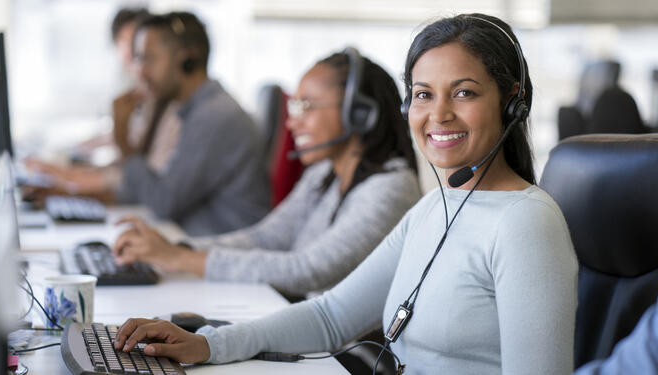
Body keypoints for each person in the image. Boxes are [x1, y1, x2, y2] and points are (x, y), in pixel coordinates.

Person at [112, 14, 578, 374]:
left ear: (512, 100)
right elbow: (332, 316)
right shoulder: (437, 204)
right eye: (422, 94)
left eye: (464, 93)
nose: (438, 114)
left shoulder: (525, 222)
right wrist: (211, 343)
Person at [111, 48, 422, 298]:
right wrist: (175, 248)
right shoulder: (325, 173)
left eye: (306, 106)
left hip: (348, 355)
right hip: (300, 326)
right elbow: (268, 237)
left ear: (359, 113)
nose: (292, 122)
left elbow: (308, 270)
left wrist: (181, 260)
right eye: (294, 106)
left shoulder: (391, 187)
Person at [31, 12, 270, 236]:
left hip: (223, 255)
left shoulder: (214, 116)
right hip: (196, 244)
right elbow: (152, 189)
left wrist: (124, 139)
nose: (140, 73)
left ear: (186, 58)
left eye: (149, 59)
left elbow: (163, 201)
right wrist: (71, 193)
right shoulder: (194, 110)